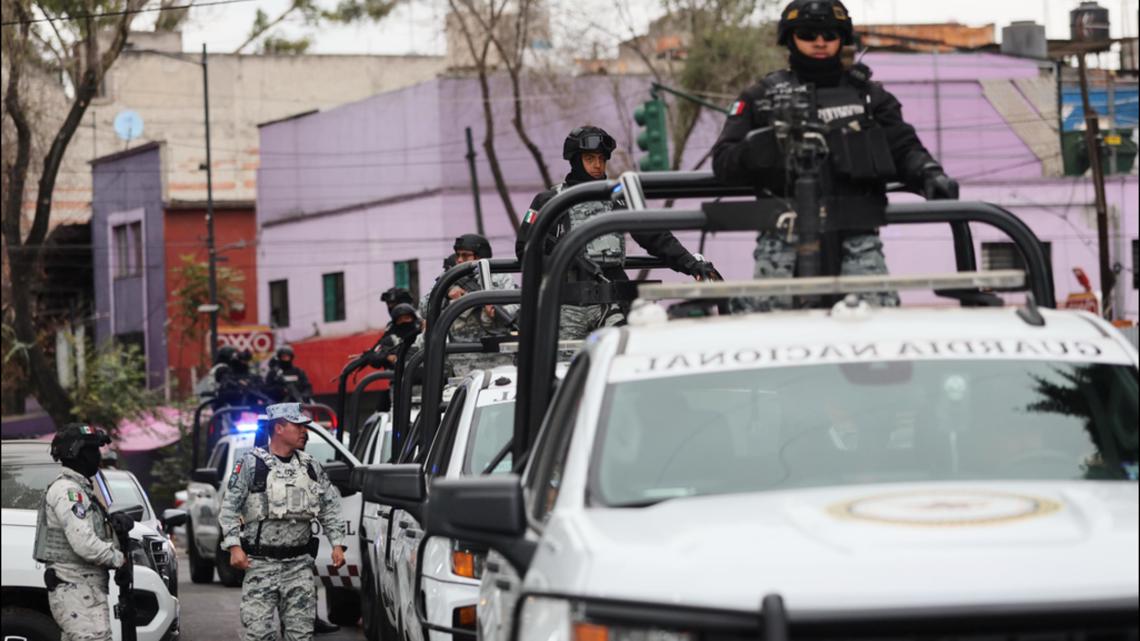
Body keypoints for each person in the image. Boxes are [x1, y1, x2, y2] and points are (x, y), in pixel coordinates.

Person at [712, 0, 958, 311]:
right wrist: (772, 144)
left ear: (841, 38)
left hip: (858, 241)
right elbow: (724, 162)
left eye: (829, 34)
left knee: (872, 332)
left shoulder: (869, 97)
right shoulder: (761, 98)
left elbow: (905, 148)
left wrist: (929, 174)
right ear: (790, 37)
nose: (819, 42)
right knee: (772, 336)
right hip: (781, 244)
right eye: (808, 33)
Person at [518, 126, 720, 339]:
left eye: (601, 159)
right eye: (590, 159)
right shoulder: (550, 201)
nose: (597, 165)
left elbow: (653, 234)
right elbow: (525, 251)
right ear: (576, 161)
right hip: (566, 302)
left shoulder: (617, 197)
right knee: (563, 367)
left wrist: (692, 265)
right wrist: (563, 261)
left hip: (611, 300)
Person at [217, 403, 347, 641]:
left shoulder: (310, 467)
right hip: (260, 566)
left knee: (301, 636)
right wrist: (234, 547)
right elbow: (229, 509)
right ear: (278, 428)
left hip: (299, 567)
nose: (304, 431)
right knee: (259, 635)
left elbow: (329, 507)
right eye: (297, 425)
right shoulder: (250, 464)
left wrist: (337, 543)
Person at [34, 424, 130, 641]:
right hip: (76, 589)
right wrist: (119, 559)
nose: (97, 456)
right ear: (76, 453)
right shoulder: (68, 491)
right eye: (92, 451)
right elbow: (84, 544)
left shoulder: (81, 490)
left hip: (82, 589)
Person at [422, 234, 518, 376]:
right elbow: (424, 308)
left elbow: (516, 305)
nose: (460, 260)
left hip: (499, 360)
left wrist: (499, 310)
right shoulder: (450, 278)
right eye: (458, 255)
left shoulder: (501, 277)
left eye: (466, 256)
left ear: (481, 256)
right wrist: (446, 293)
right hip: (463, 362)